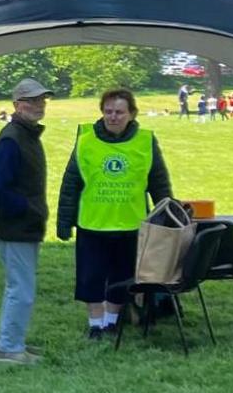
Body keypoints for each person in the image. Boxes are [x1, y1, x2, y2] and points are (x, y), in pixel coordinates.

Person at [57, 88, 173, 339]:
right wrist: (64, 222)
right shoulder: (86, 139)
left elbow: (159, 182)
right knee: (91, 278)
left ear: (131, 114)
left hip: (131, 224)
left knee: (123, 278)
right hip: (93, 223)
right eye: (108, 111)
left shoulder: (145, 141)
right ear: (102, 112)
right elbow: (70, 184)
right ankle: (95, 325)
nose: (113, 117)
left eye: (119, 112)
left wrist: (168, 218)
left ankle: (111, 322)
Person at [0, 79, 52, 365]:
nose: (38, 105)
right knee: (21, 291)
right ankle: (9, 349)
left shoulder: (26, 135)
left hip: (24, 226)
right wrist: (26, 210)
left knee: (20, 287)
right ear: (16, 104)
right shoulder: (12, 138)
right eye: (31, 100)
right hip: (16, 228)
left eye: (41, 100)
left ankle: (12, 342)